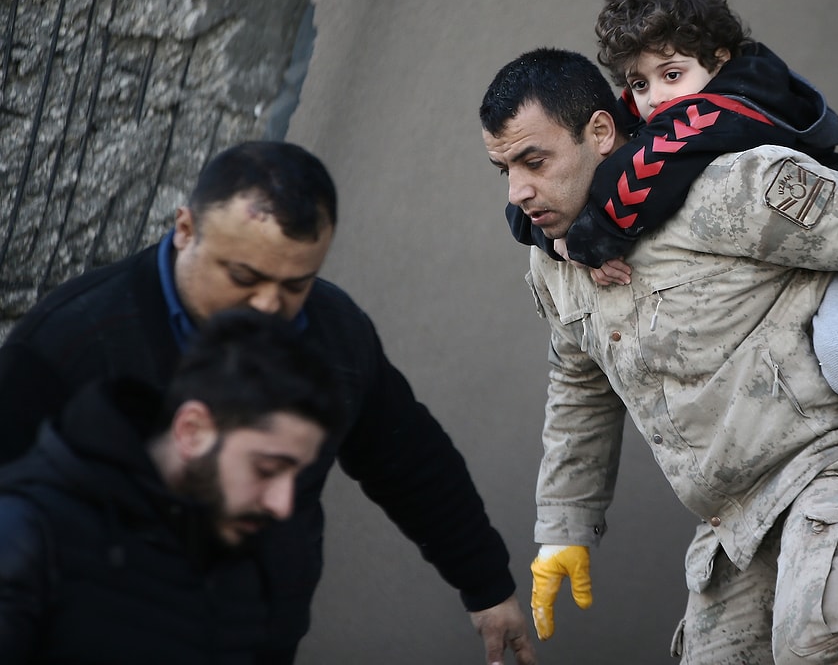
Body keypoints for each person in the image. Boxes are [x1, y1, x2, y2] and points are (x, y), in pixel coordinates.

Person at [511, 0, 838, 662]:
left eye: (533, 160)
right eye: (640, 83)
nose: (519, 187)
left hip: (832, 459)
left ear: (597, 132)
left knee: (821, 644)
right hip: (738, 513)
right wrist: (563, 524)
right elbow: (580, 390)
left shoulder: (730, 178)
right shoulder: (561, 254)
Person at [0, 141, 535, 665]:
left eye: (295, 285)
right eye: (243, 277)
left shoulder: (336, 333)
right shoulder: (68, 341)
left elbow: (410, 461)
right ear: (185, 230)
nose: (267, 305)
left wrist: (486, 585)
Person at [0, 309, 341, 663]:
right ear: (192, 431)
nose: (282, 504)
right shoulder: (27, 534)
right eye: (267, 469)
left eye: (296, 475)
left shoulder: (240, 560)